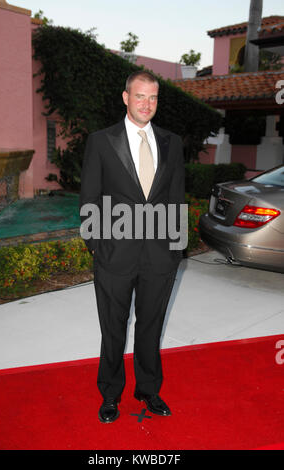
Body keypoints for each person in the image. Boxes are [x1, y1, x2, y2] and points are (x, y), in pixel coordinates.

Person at [79, 70, 185, 423]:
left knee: (151, 325)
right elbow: (89, 197)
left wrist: (176, 250)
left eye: (153, 98)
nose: (147, 104)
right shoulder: (101, 141)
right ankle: (110, 395)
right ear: (126, 98)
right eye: (140, 96)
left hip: (160, 257)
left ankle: (149, 390)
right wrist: (97, 246)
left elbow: (176, 198)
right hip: (114, 254)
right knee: (113, 327)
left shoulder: (172, 142)